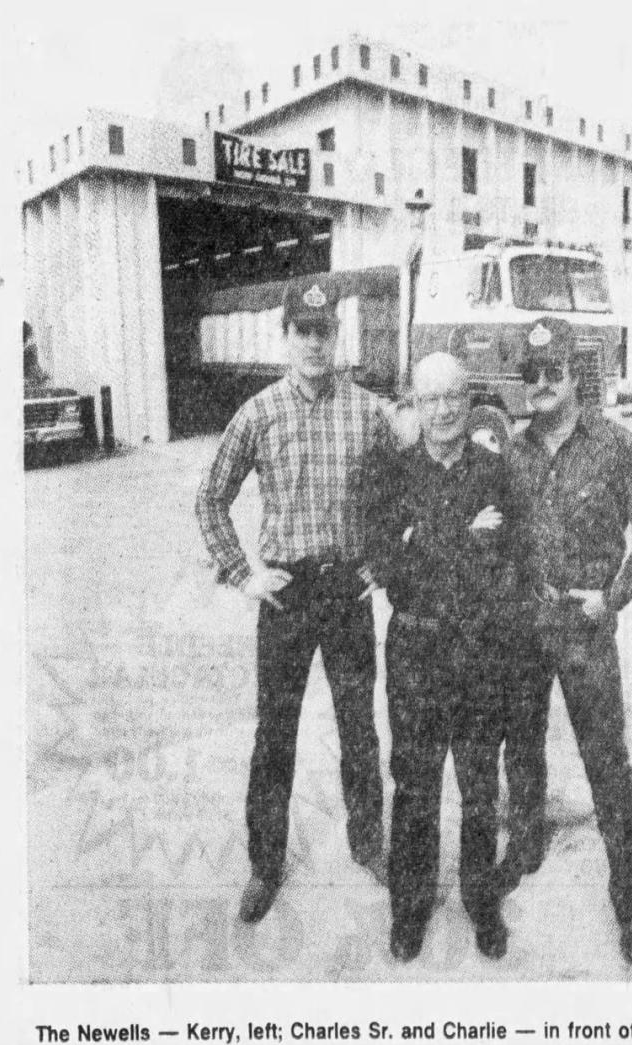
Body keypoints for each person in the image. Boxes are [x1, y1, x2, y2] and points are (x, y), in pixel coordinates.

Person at [195, 279, 388, 924]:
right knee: (274, 734)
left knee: (359, 726)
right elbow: (211, 497)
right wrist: (241, 572)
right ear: (286, 338)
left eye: (323, 331)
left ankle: (369, 844)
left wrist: (380, 564)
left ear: (337, 337)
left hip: (346, 591)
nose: (313, 343)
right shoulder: (259, 412)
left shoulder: (366, 411)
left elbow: (406, 489)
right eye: (302, 332)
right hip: (285, 596)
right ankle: (265, 864)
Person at [500, 316, 632, 970]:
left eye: (555, 373)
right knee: (520, 748)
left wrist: (615, 594)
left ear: (577, 376)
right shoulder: (512, 451)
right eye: (533, 376)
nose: (543, 385)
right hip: (525, 627)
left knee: (607, 763)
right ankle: (523, 849)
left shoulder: (616, 447)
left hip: (585, 627)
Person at [361, 352, 530, 963]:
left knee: (480, 783)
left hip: (481, 647)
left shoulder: (496, 471)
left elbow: (512, 554)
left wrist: (421, 537)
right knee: (415, 782)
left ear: (468, 399)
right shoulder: (394, 472)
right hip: (416, 645)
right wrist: (457, 534)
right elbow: (381, 556)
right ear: (414, 402)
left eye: (454, 396)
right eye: (430, 399)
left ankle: (482, 902)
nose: (444, 410)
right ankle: (410, 906)